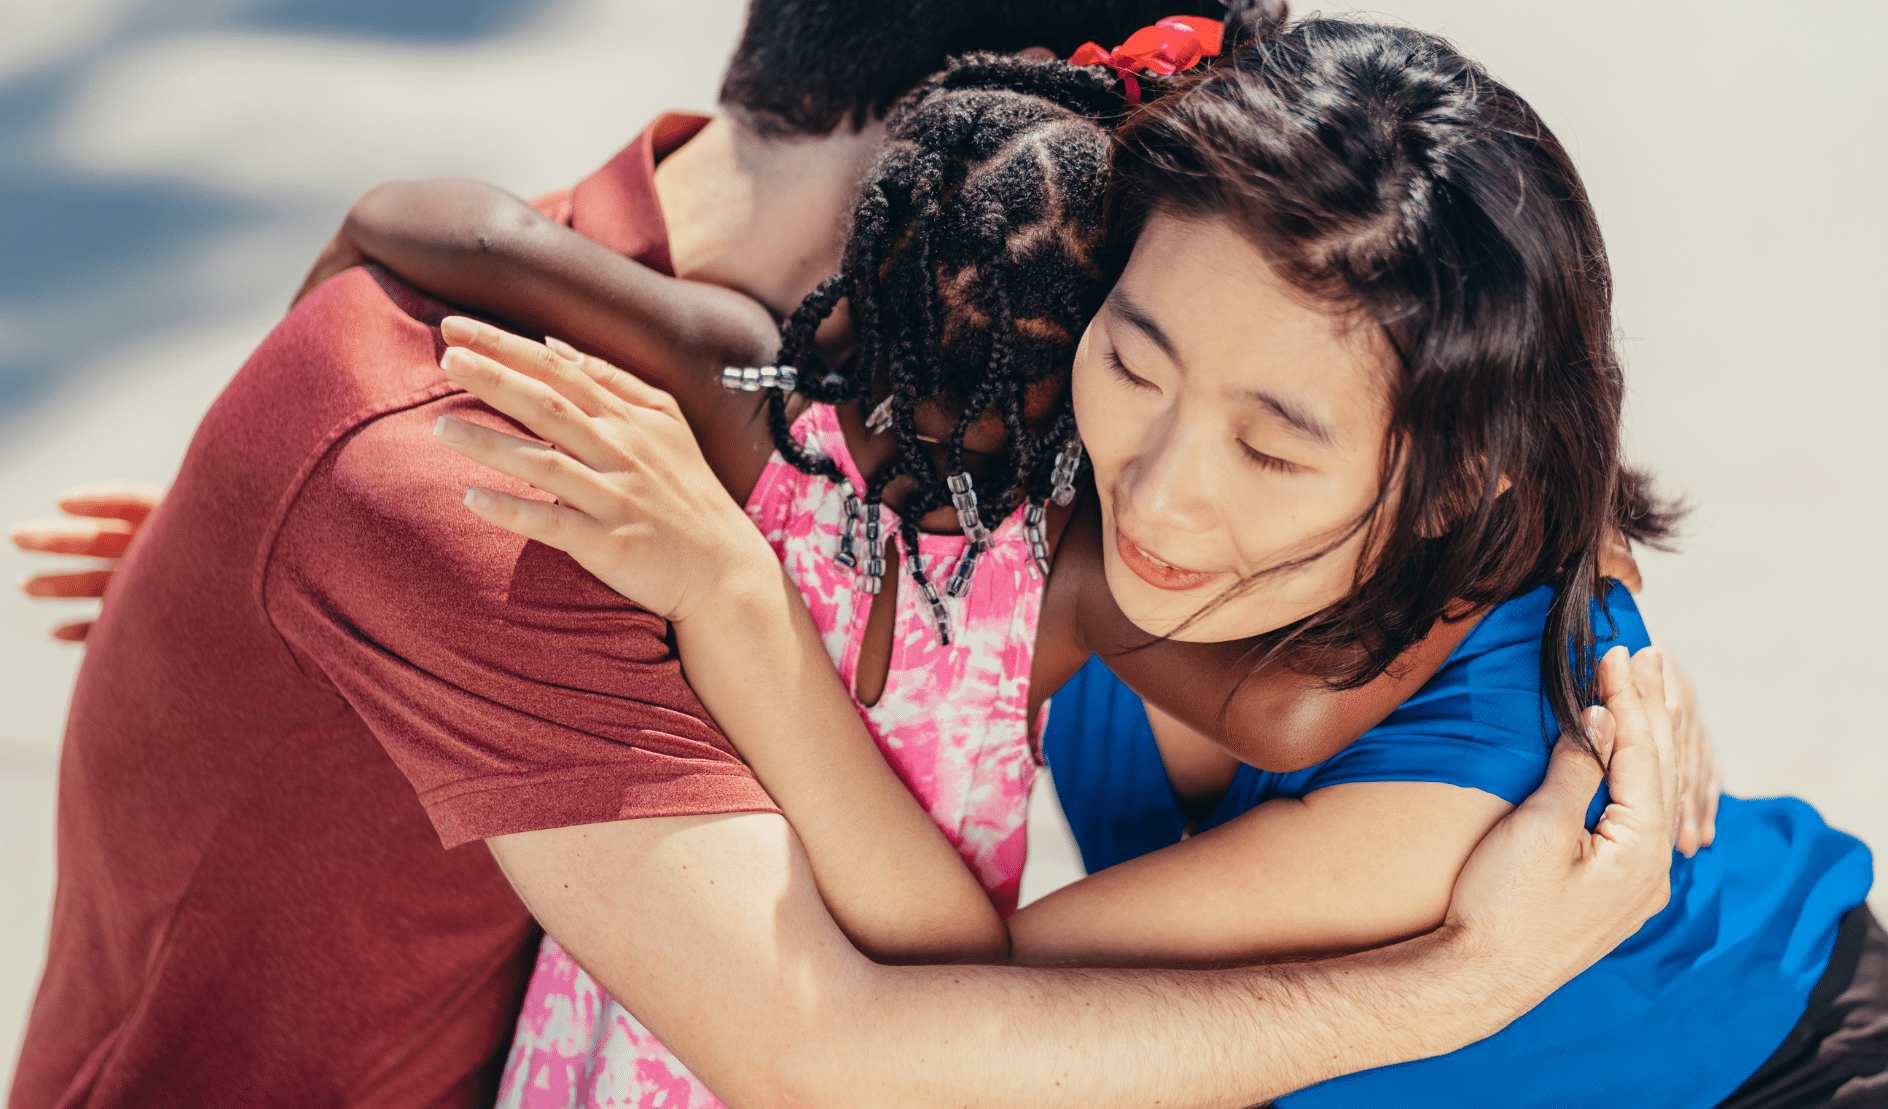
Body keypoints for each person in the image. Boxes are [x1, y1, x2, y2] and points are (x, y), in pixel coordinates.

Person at [2, 4, 1685, 1109]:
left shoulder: (802, 411)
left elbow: (434, 235)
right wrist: (1468, 972)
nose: (1164, 476)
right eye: (1126, 297)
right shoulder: (538, 450)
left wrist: (1572, 587)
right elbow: (838, 1048)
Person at [421, 14, 1877, 1109]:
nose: (1161, 502)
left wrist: (739, 609)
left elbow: (956, 1018)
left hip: (1772, 1068)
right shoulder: (1060, 418)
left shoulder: (1471, 803)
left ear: (1453, 484)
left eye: (1276, 448)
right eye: (1137, 359)